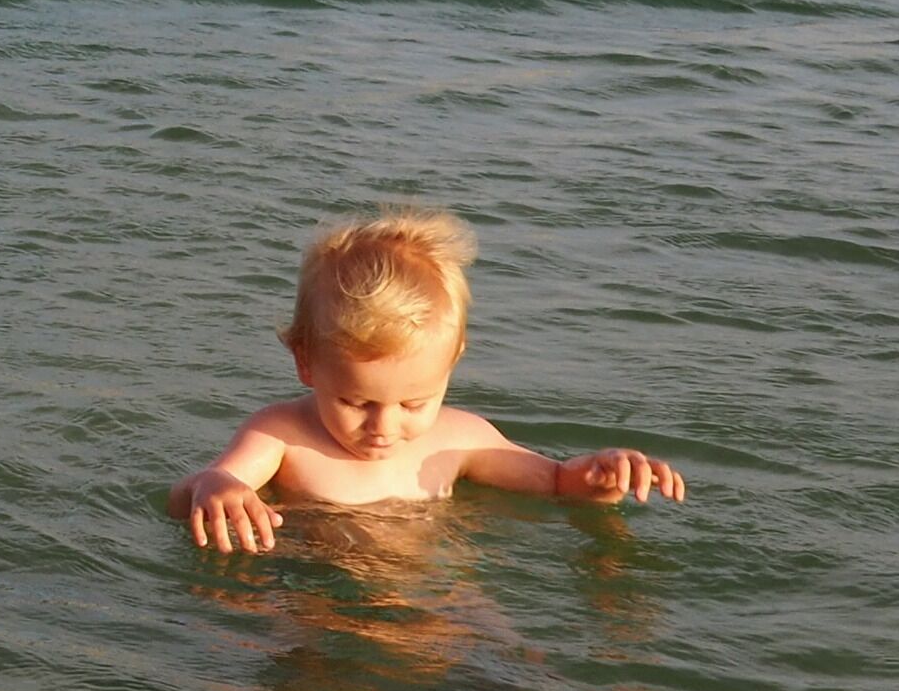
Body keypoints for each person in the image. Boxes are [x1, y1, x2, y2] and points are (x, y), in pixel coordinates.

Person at [171, 212, 687, 553]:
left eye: (415, 402)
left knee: (507, 666)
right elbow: (196, 491)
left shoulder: (459, 438)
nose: (384, 426)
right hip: (319, 594)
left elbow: (552, 482)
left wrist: (599, 478)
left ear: (453, 362)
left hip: (437, 593)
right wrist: (214, 486)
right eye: (355, 401)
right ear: (306, 363)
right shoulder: (282, 435)